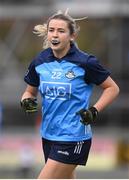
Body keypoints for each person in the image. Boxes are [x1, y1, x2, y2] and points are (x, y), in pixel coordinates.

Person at [20, 9, 120, 179]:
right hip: (48, 134)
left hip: (73, 136)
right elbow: (29, 91)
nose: (55, 35)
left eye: (61, 31)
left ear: (72, 36)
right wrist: (26, 100)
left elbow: (112, 88)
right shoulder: (40, 61)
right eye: (51, 30)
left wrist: (94, 110)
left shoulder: (85, 62)